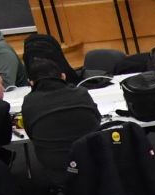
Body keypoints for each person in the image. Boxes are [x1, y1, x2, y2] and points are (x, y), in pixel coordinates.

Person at [20, 57, 101, 186]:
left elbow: (31, 135)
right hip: (94, 162)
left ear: (31, 83)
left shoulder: (29, 103)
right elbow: (98, 121)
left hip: (56, 168)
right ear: (63, 76)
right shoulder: (81, 93)